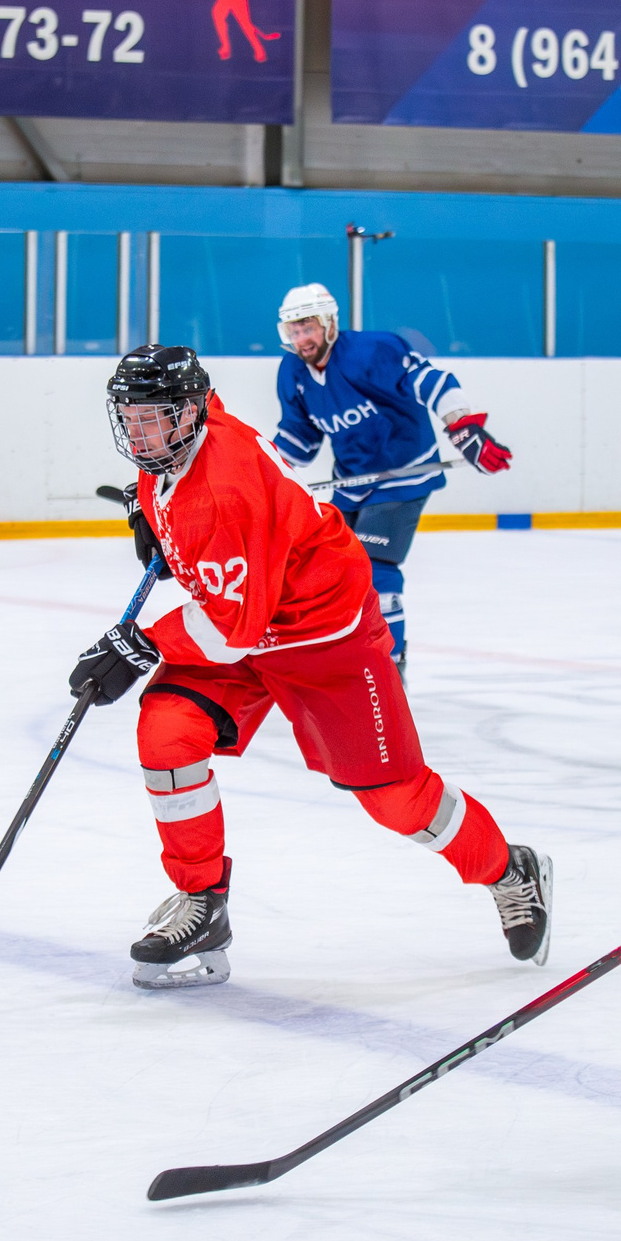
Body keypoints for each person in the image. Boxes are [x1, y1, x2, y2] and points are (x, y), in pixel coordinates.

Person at [68, 344, 553, 991]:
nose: (139, 434)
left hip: (322, 636)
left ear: (188, 413)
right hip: (247, 622)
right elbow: (228, 597)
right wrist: (153, 510)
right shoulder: (179, 445)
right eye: (130, 419)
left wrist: (142, 644)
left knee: (396, 800)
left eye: (152, 419)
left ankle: (508, 869)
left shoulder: (226, 488)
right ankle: (202, 902)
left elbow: (232, 627)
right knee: (167, 732)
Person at [265, 282, 513, 670]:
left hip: (404, 474)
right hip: (351, 482)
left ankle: (389, 663)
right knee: (326, 568)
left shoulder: (372, 350)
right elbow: (301, 439)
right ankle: (345, 656)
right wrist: (263, 474)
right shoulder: (292, 371)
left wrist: (462, 426)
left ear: (330, 323)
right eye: (293, 331)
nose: (301, 339)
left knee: (374, 568)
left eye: (308, 328)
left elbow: (432, 382)